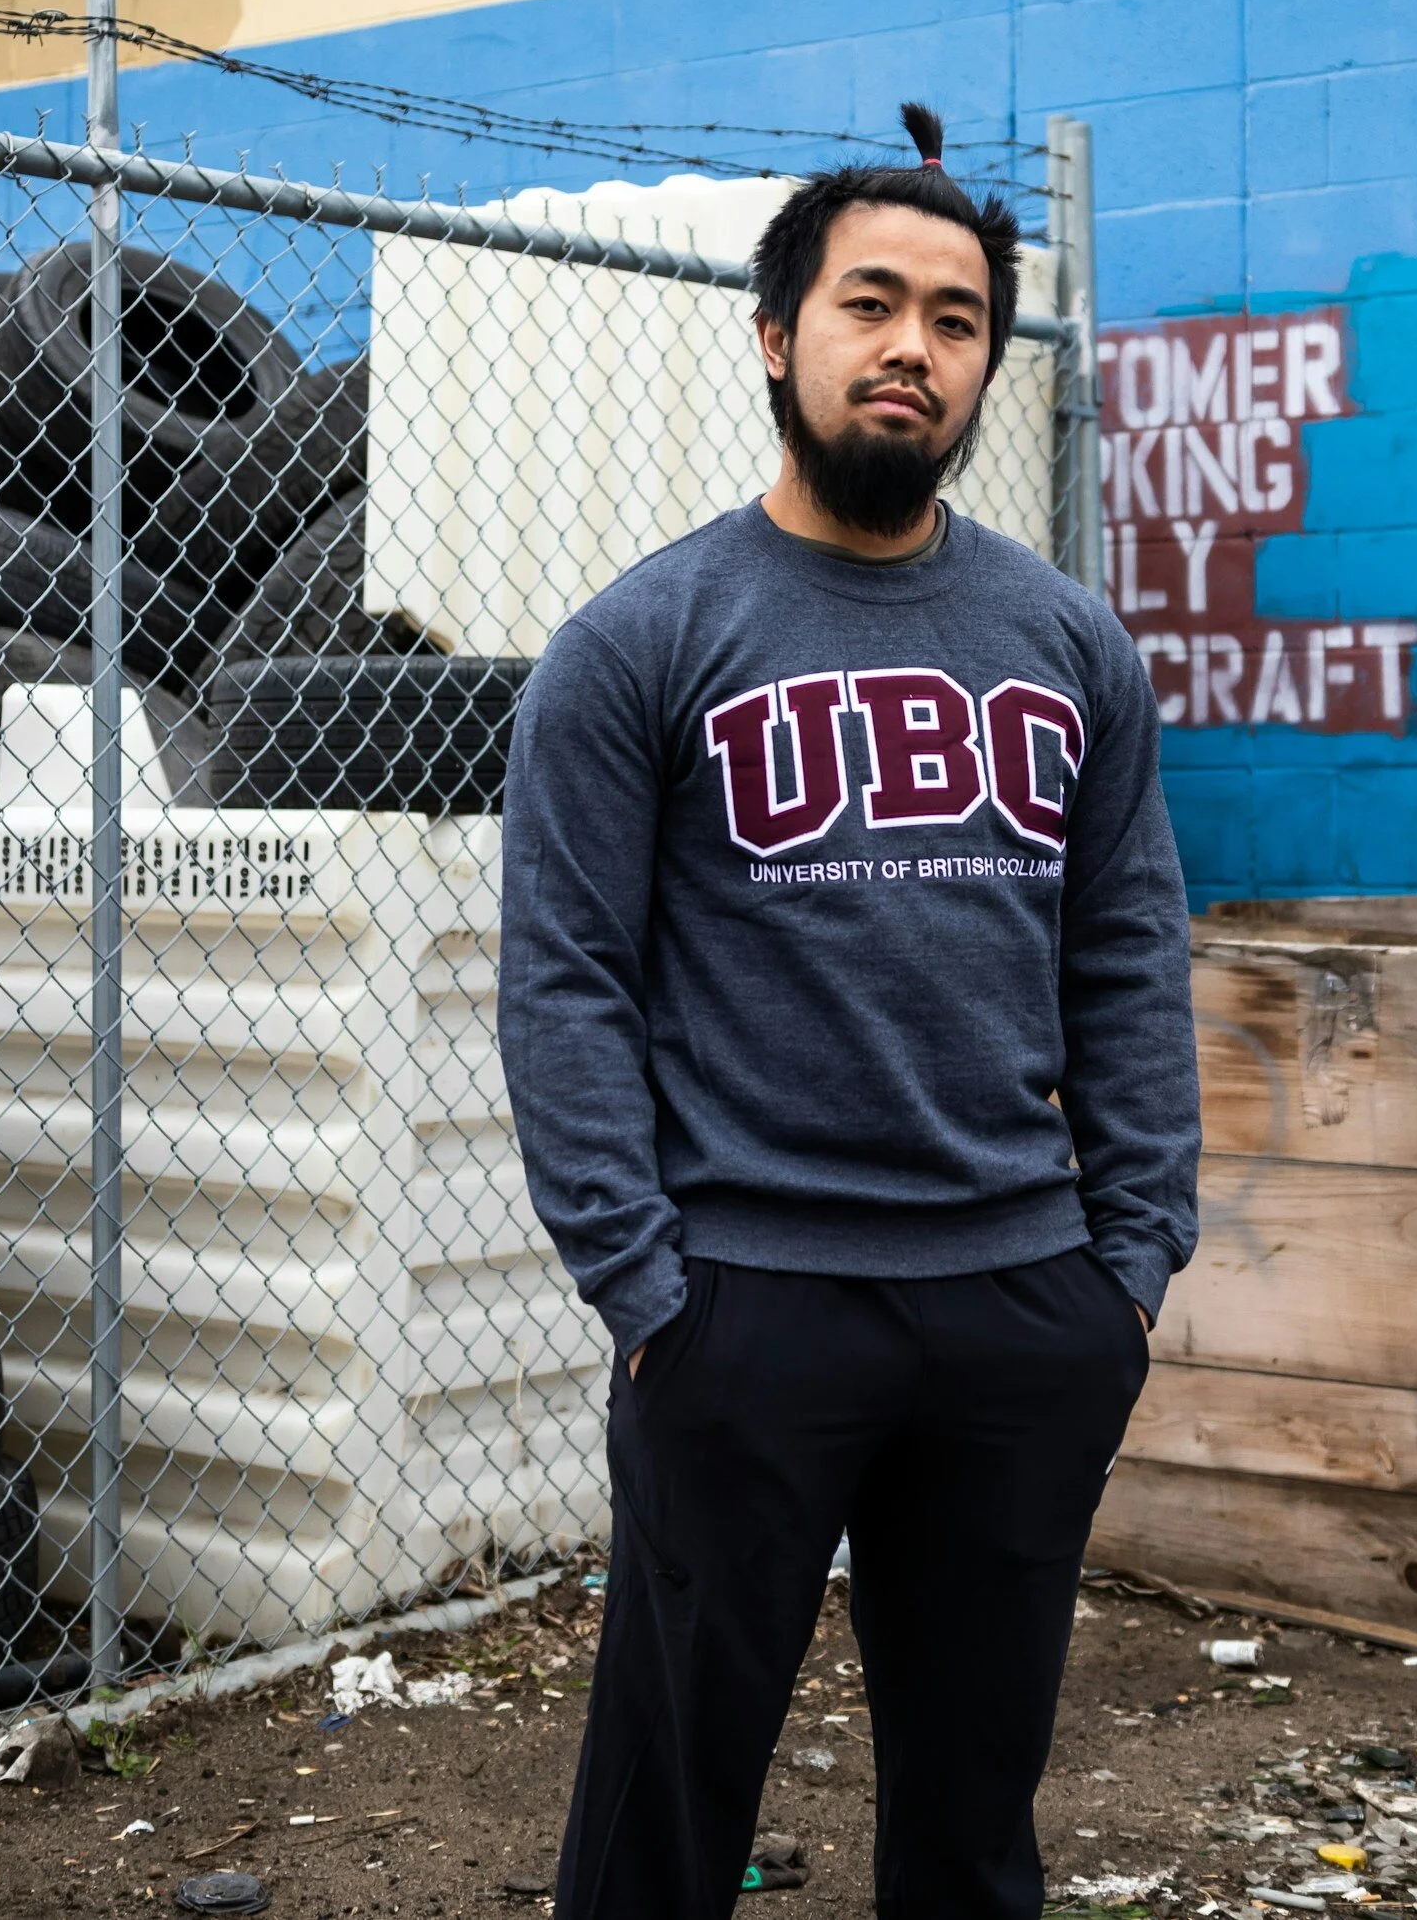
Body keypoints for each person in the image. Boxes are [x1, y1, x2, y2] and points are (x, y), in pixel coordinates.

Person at [497, 103, 1201, 1920]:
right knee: (664, 1818)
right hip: (745, 1308)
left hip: (1021, 1305)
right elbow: (564, 976)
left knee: (974, 1825)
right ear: (776, 331)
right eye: (870, 303)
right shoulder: (642, 640)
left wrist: (1128, 1265)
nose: (912, 347)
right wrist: (645, 1286)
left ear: (985, 366)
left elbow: (1126, 950)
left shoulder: (1066, 643)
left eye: (955, 320)